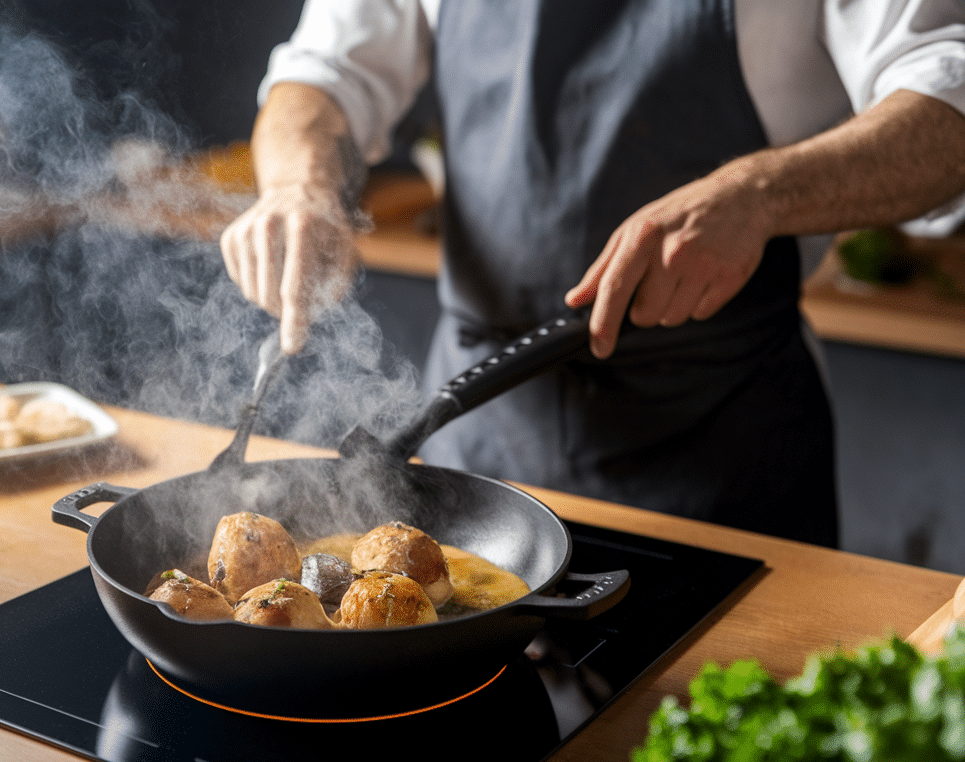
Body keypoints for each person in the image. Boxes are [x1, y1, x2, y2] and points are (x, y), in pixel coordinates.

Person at [219, 0, 965, 546]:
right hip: (479, 448)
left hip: (723, 451)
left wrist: (760, 192)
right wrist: (298, 187)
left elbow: (947, 100)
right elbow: (322, 74)